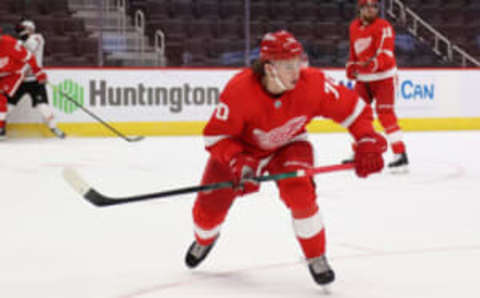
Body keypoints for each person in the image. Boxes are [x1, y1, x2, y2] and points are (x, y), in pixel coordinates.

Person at [184, 30, 387, 286]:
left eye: (298, 62)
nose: (297, 71)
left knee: (299, 193)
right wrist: (238, 161)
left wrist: (366, 139)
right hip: (243, 151)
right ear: (269, 69)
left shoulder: (311, 84)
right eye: (289, 66)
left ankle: (316, 256)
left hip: (289, 144)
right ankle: (204, 239)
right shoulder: (239, 91)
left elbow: (354, 110)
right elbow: (216, 137)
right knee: (207, 213)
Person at [345, 0, 408, 171]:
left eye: (374, 7)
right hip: (364, 80)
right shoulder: (353, 27)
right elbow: (354, 52)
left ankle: (400, 155)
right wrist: (351, 65)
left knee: (385, 114)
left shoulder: (384, 26)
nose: (371, 9)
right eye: (367, 7)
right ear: (360, 9)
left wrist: (371, 65)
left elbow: (386, 54)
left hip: (384, 77)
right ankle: (359, 152)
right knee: (357, 116)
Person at [7, 19, 65, 138]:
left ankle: (54, 128)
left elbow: (30, 47)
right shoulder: (18, 42)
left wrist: (20, 42)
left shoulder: (37, 38)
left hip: (35, 80)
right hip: (19, 80)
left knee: (42, 106)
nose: (25, 31)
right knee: (7, 106)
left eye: (26, 29)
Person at [0, 28, 47, 140]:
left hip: (13, 74)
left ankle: (1, 128)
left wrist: (38, 72)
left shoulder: (10, 44)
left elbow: (29, 57)